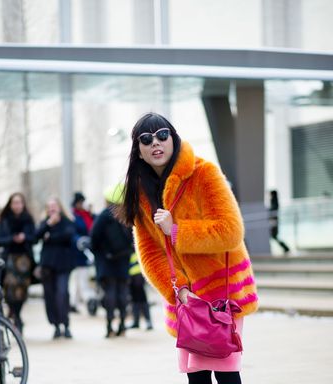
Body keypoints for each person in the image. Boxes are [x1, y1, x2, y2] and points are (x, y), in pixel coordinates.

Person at [117, 113, 258, 384]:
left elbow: (231, 231)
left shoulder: (203, 172)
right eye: (146, 139)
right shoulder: (140, 193)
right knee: (196, 376)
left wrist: (176, 230)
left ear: (173, 138)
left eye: (162, 135)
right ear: (139, 151)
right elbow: (149, 252)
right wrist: (178, 289)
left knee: (227, 373)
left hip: (221, 293)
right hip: (185, 299)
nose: (155, 143)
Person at [90, 185, 133, 338]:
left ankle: (109, 326)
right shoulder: (127, 215)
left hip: (106, 261)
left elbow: (93, 237)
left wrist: (99, 253)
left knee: (109, 293)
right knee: (122, 292)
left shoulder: (103, 216)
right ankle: (122, 324)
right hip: (123, 260)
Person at [0, 193, 36, 333]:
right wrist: (12, 239)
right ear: (10, 204)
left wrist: (25, 237)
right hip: (10, 258)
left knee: (23, 290)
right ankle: (16, 316)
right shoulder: (5, 219)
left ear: (23, 204)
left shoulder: (28, 219)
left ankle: (16, 315)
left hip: (25, 259)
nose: (17, 205)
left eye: (19, 202)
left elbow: (34, 237)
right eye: (14, 202)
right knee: (10, 289)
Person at [36, 198, 75, 339]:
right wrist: (47, 226)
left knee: (62, 293)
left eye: (54, 206)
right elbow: (35, 236)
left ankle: (66, 324)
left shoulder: (67, 221)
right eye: (49, 206)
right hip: (47, 265)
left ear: (60, 207)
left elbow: (68, 236)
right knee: (50, 295)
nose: (52, 209)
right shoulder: (44, 223)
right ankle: (56, 325)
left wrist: (50, 237)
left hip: (63, 265)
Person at [70, 192, 95, 313]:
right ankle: (83, 300)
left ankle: (77, 302)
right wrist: (79, 240)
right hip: (77, 252)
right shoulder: (73, 216)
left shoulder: (87, 215)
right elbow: (72, 233)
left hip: (87, 251)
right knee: (78, 279)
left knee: (81, 278)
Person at [128, 251, 153, 330]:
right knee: (134, 298)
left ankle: (148, 322)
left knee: (141, 297)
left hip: (138, 272)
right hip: (131, 272)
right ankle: (136, 321)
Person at [269, 190, 290, 254]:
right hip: (274, 220)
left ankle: (286, 248)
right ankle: (285, 248)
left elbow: (273, 210)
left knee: (274, 236)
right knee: (274, 236)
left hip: (274, 220)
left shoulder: (274, 201)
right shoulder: (274, 201)